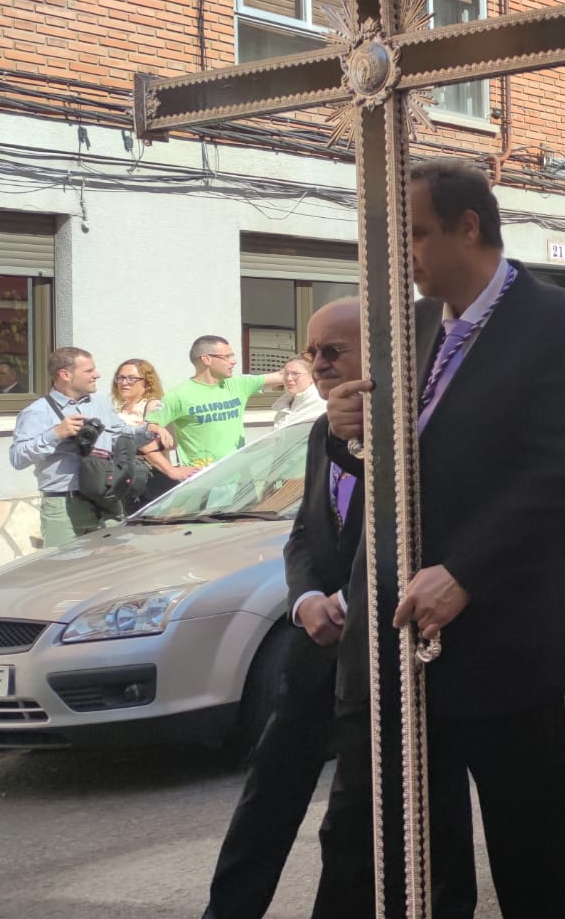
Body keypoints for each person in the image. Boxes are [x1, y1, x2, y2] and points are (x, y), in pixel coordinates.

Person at [315, 157, 565, 918]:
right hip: (401, 642)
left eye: (414, 234)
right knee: (416, 856)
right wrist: (344, 432)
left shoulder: (561, 321)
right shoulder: (407, 327)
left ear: (468, 228)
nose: (401, 256)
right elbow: (398, 459)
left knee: (531, 849)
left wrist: (467, 571)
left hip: (503, 634)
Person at [204, 299, 476, 919]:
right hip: (314, 653)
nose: (319, 365)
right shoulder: (319, 433)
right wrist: (304, 600)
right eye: (312, 352)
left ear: (377, 356)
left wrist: (353, 600)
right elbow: (306, 533)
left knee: (370, 824)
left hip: (390, 656)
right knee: (266, 800)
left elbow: (427, 535)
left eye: (334, 351)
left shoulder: (420, 435)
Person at [8, 347, 162, 546]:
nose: (96, 375)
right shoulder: (37, 412)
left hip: (107, 498)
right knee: (65, 569)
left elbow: (122, 434)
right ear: (65, 374)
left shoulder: (100, 403)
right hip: (64, 504)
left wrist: (149, 431)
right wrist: (55, 434)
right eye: (89, 371)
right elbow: (17, 458)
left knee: (113, 564)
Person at [149, 336, 283, 469]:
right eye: (227, 357)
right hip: (205, 481)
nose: (234, 362)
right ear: (206, 359)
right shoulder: (178, 396)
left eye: (233, 356)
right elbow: (145, 429)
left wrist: (305, 352)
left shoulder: (239, 384)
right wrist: (172, 470)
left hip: (240, 476)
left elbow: (283, 376)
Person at [112, 357, 191, 496]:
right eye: (120, 378)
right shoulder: (119, 410)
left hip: (152, 478)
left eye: (131, 378)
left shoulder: (154, 407)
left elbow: (162, 445)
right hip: (127, 478)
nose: (124, 383)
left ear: (147, 383)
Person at [270, 356, 324, 430]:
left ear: (312, 376)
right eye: (286, 374)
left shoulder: (320, 403)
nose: (289, 378)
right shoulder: (284, 404)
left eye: (295, 374)